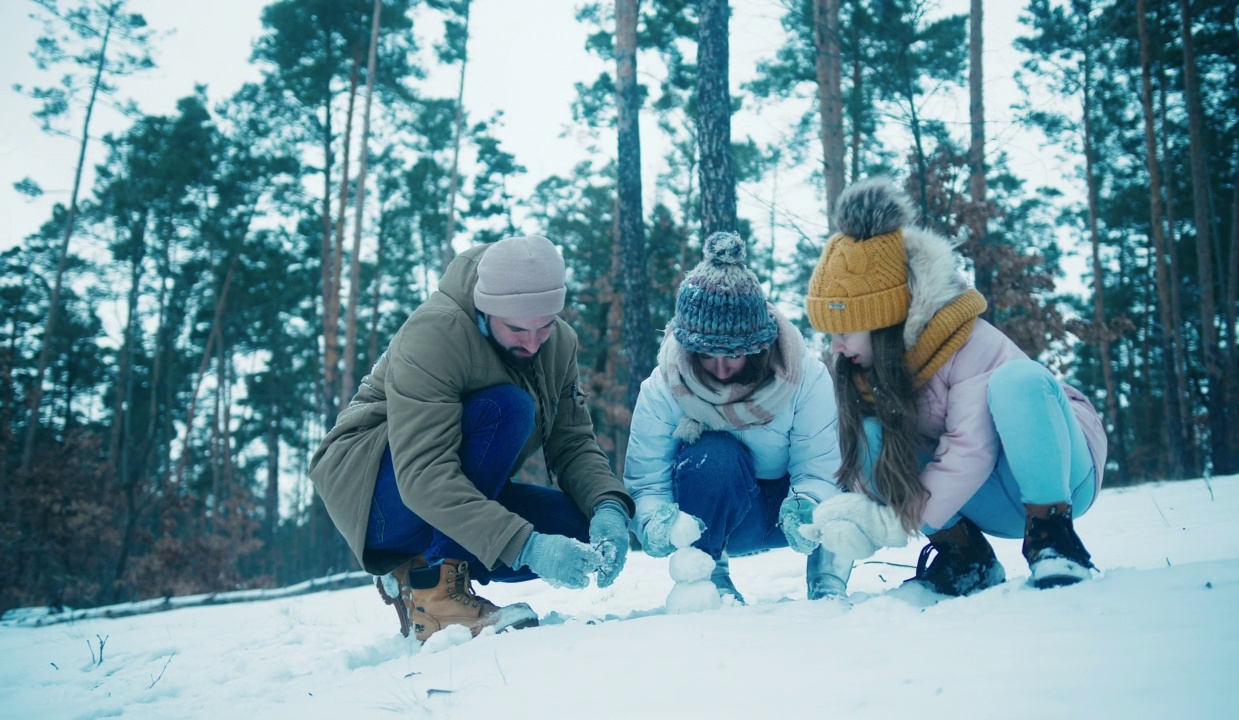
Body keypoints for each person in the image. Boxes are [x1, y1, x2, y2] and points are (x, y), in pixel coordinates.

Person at [309, 235, 634, 642]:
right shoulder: (433, 334)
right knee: (509, 409)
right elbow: (424, 475)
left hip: (452, 486)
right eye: (516, 329)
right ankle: (438, 595)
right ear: (485, 309)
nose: (533, 343)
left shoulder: (559, 343)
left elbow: (571, 441)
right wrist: (527, 547)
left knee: (579, 527)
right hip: (377, 495)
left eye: (545, 326)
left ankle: (416, 565)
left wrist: (608, 506)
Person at [801, 177, 1107, 595]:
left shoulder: (966, 341)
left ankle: (1054, 540)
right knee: (871, 433)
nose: (836, 345)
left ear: (885, 320)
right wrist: (862, 517)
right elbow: (876, 465)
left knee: (1020, 380)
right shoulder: (860, 365)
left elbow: (970, 449)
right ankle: (965, 556)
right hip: (986, 501)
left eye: (846, 330)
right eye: (830, 332)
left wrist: (899, 520)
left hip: (1061, 475)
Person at [624, 231, 846, 603]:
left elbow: (820, 464)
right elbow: (647, 481)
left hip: (788, 513)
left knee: (857, 460)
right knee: (712, 455)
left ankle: (828, 578)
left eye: (735, 355)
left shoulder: (804, 375)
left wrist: (806, 502)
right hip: (718, 518)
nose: (722, 369)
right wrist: (655, 522)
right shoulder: (664, 386)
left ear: (759, 347)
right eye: (708, 355)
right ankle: (710, 576)